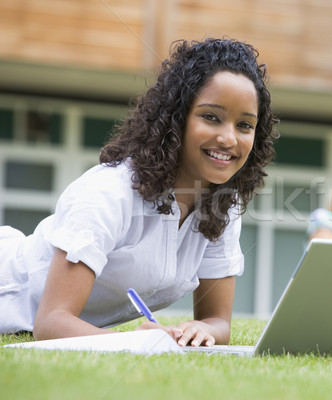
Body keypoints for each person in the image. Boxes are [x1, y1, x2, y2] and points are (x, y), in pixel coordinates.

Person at [0, 38, 279, 347]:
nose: (229, 138)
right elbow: (51, 322)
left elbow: (217, 323)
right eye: (211, 117)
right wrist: (136, 344)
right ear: (177, 118)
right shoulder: (109, 193)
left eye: (244, 125)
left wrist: (201, 331)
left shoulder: (220, 205)